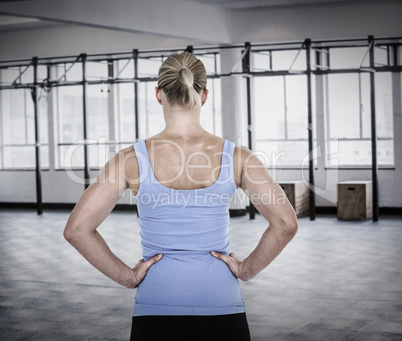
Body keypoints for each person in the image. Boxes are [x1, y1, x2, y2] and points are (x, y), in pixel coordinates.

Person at [63, 52, 298, 341]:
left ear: (159, 94)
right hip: (222, 305)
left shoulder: (129, 161)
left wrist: (129, 277)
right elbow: (286, 224)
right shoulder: (239, 158)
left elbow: (76, 230)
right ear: (205, 95)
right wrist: (245, 269)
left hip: (155, 308)